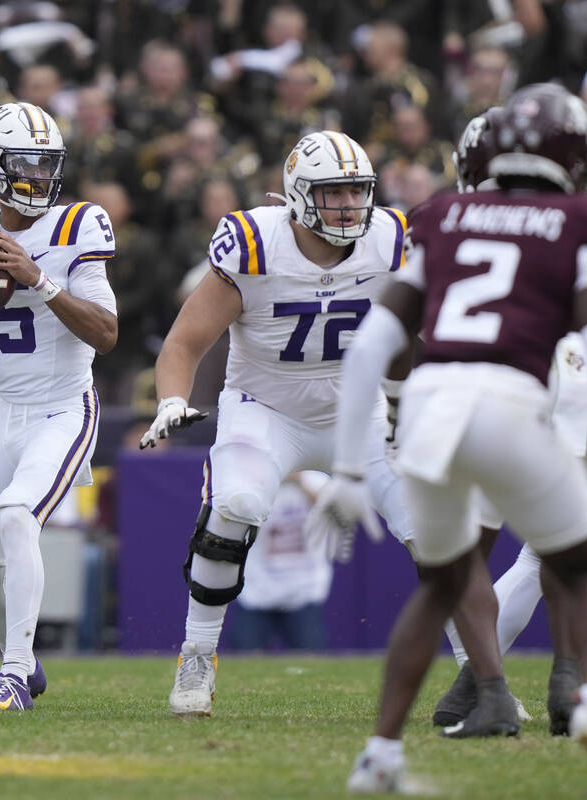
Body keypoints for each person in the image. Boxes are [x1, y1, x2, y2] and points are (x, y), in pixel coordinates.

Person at [308, 83, 587, 792]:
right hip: (515, 399)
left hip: (431, 408)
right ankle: (586, 701)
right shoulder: (582, 219)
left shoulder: (445, 214)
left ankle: (381, 756)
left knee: (440, 586)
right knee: (584, 569)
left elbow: (372, 347)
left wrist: (345, 469)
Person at [142, 130, 441, 720]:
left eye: (358, 192)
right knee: (235, 506)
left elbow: (411, 336)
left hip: (360, 413)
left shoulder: (389, 237)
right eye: (335, 194)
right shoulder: (256, 242)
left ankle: (479, 678)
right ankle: (197, 656)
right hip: (266, 408)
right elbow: (183, 342)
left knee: (436, 532)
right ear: (299, 196)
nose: (351, 206)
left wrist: (408, 405)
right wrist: (171, 400)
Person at [0, 101, 118, 711]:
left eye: (46, 164)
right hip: (7, 414)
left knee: (17, 514)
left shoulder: (80, 224)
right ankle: (26, 662)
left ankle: (11, 675)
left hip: (66, 407)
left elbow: (107, 333)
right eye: (24, 164)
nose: (37, 178)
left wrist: (39, 279)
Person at [227, 472, 332, 651]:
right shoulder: (253, 481)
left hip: (303, 591)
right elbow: (235, 516)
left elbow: (334, 513)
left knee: (313, 664)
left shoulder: (316, 477)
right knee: (244, 663)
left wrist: (299, 481)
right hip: (257, 591)